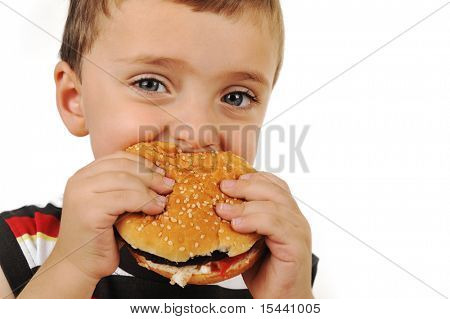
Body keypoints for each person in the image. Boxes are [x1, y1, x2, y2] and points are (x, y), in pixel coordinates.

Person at [0, 0, 318, 299]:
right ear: (75, 100)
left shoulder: (280, 267)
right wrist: (70, 268)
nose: (195, 133)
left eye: (236, 97)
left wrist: (291, 303)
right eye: (151, 84)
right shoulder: (22, 246)